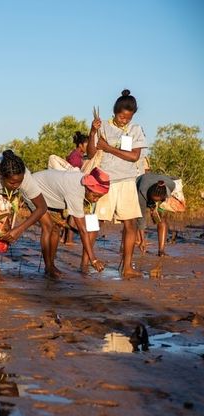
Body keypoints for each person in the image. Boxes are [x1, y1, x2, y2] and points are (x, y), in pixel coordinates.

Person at [88, 90, 146, 277]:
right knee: (95, 222)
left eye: (128, 118)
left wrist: (108, 148)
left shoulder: (135, 129)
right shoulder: (103, 126)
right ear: (115, 112)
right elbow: (90, 154)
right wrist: (93, 131)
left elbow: (134, 156)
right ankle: (86, 261)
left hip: (127, 181)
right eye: (121, 117)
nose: (124, 121)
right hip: (105, 180)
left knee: (131, 224)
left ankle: (127, 267)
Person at [0, 150, 47, 281]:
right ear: (1, 177)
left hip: (6, 193)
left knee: (4, 226)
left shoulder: (25, 179)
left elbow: (42, 207)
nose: (17, 185)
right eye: (13, 183)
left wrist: (19, 229)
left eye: (20, 182)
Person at [28, 168, 111, 277]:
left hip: (51, 195)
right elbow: (82, 230)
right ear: (87, 188)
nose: (96, 200)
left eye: (99, 197)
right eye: (95, 196)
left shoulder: (84, 184)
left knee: (56, 228)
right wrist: (93, 259)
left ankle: (51, 265)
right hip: (34, 188)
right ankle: (48, 267)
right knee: (48, 226)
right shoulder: (75, 192)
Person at [136, 173, 178, 257]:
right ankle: (134, 243)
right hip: (137, 186)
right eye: (153, 199)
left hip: (160, 193)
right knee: (133, 218)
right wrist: (143, 240)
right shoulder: (142, 191)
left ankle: (161, 251)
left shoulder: (171, 185)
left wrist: (155, 208)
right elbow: (141, 217)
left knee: (162, 218)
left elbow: (164, 201)